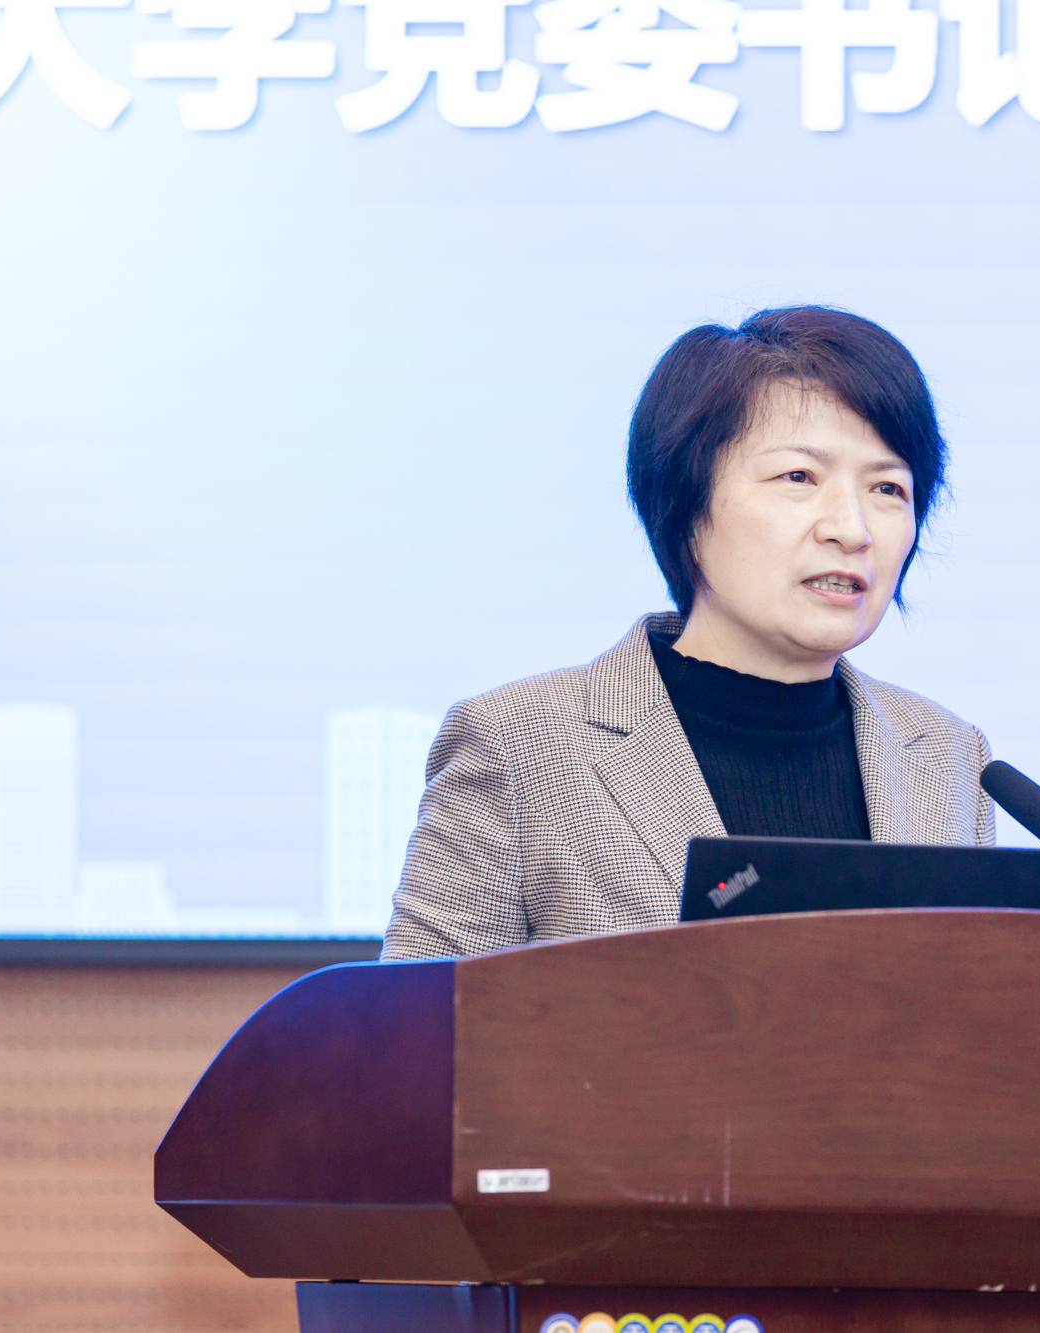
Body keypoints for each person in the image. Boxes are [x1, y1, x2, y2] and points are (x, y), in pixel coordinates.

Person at [381, 306, 994, 959]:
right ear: (687, 503)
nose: (852, 528)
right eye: (798, 477)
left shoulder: (951, 759)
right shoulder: (518, 746)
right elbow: (416, 1017)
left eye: (888, 489)